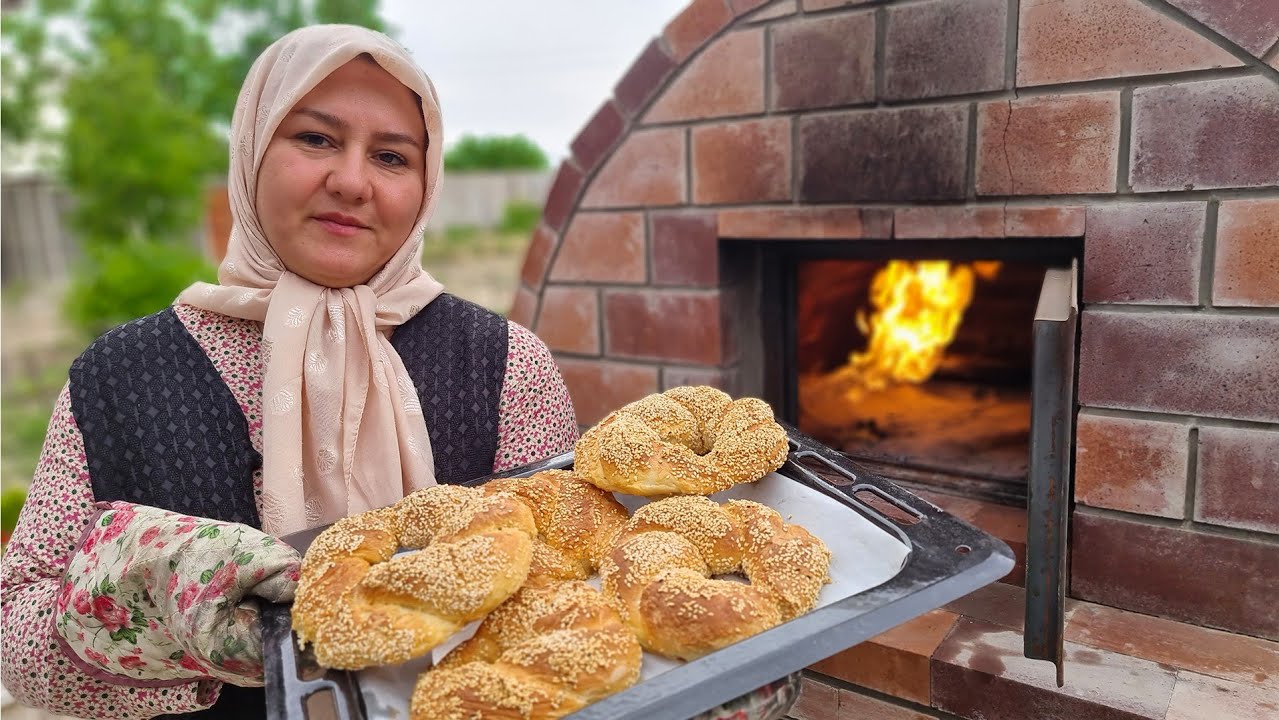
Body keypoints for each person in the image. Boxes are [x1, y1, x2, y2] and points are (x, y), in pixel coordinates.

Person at [0, 24, 797, 720]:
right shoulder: (115, 381)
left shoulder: (503, 364)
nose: (352, 181)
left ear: (425, 184)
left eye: (390, 156)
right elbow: (16, 639)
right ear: (252, 149)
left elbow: (579, 579)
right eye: (315, 139)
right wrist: (155, 612)